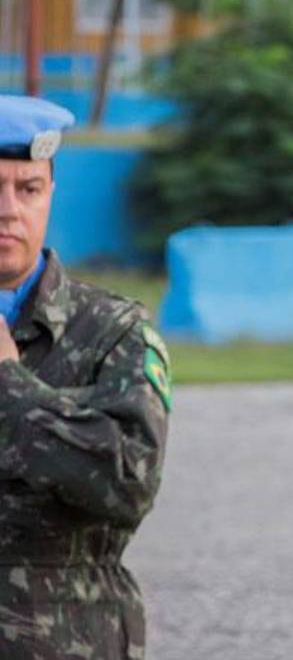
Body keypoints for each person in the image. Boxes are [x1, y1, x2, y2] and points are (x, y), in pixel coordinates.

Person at [0, 95, 171, 659]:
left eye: (27, 189)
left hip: (64, 638)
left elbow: (128, 482)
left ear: (50, 195)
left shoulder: (112, 330)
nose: (8, 210)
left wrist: (10, 384)